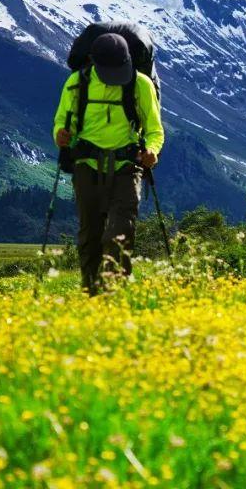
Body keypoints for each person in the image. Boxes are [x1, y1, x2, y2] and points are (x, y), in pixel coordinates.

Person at [53, 33, 164, 295]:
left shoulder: (141, 84)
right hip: (87, 165)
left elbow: (154, 129)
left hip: (127, 167)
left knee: (119, 232)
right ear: (93, 63)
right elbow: (61, 122)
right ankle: (92, 293)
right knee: (90, 235)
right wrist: (60, 134)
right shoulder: (76, 84)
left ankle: (113, 293)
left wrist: (152, 150)